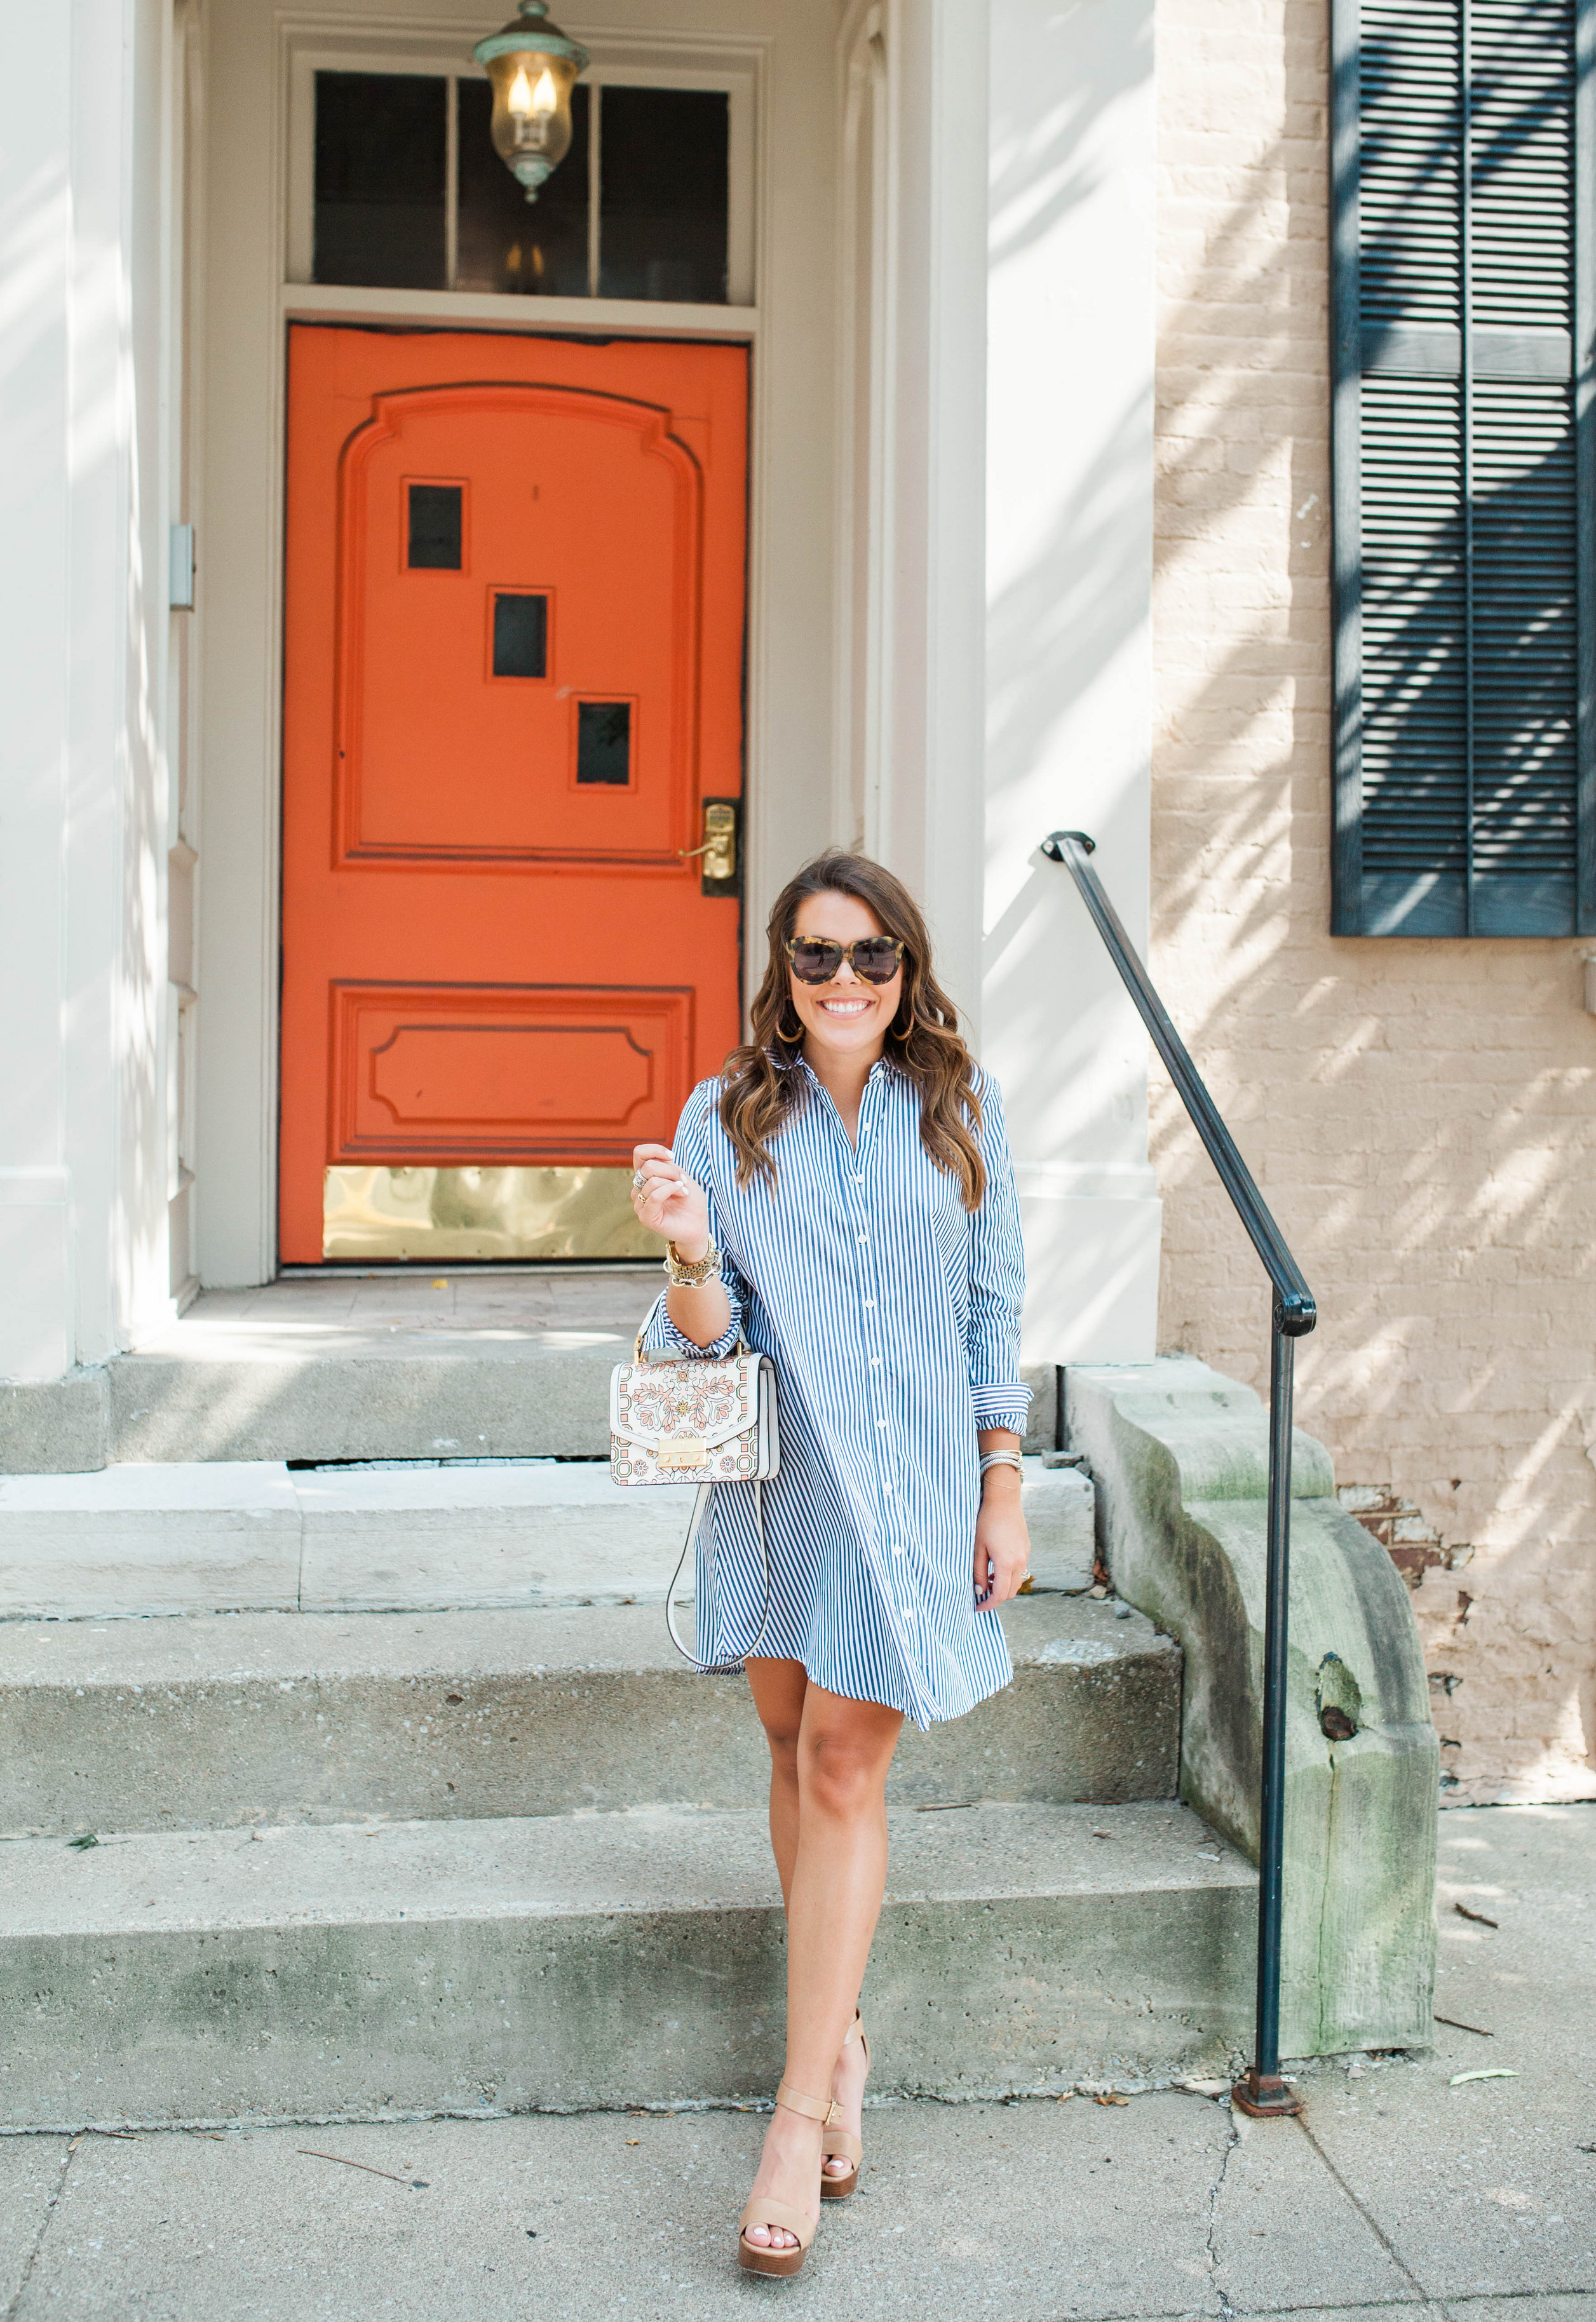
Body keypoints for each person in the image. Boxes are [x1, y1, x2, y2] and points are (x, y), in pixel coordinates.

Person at [628, 849, 1031, 2278]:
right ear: (781, 976)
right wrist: (685, 1250)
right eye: (816, 957)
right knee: (795, 1743)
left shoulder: (961, 1110)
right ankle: (842, 2035)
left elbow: (994, 1312)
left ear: (906, 969)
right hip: (777, 1486)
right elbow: (702, 1337)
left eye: (871, 956)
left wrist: (1001, 1484)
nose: (845, 980)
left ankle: (795, 2111)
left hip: (915, 1491)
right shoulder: (723, 1113)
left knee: (847, 1767)